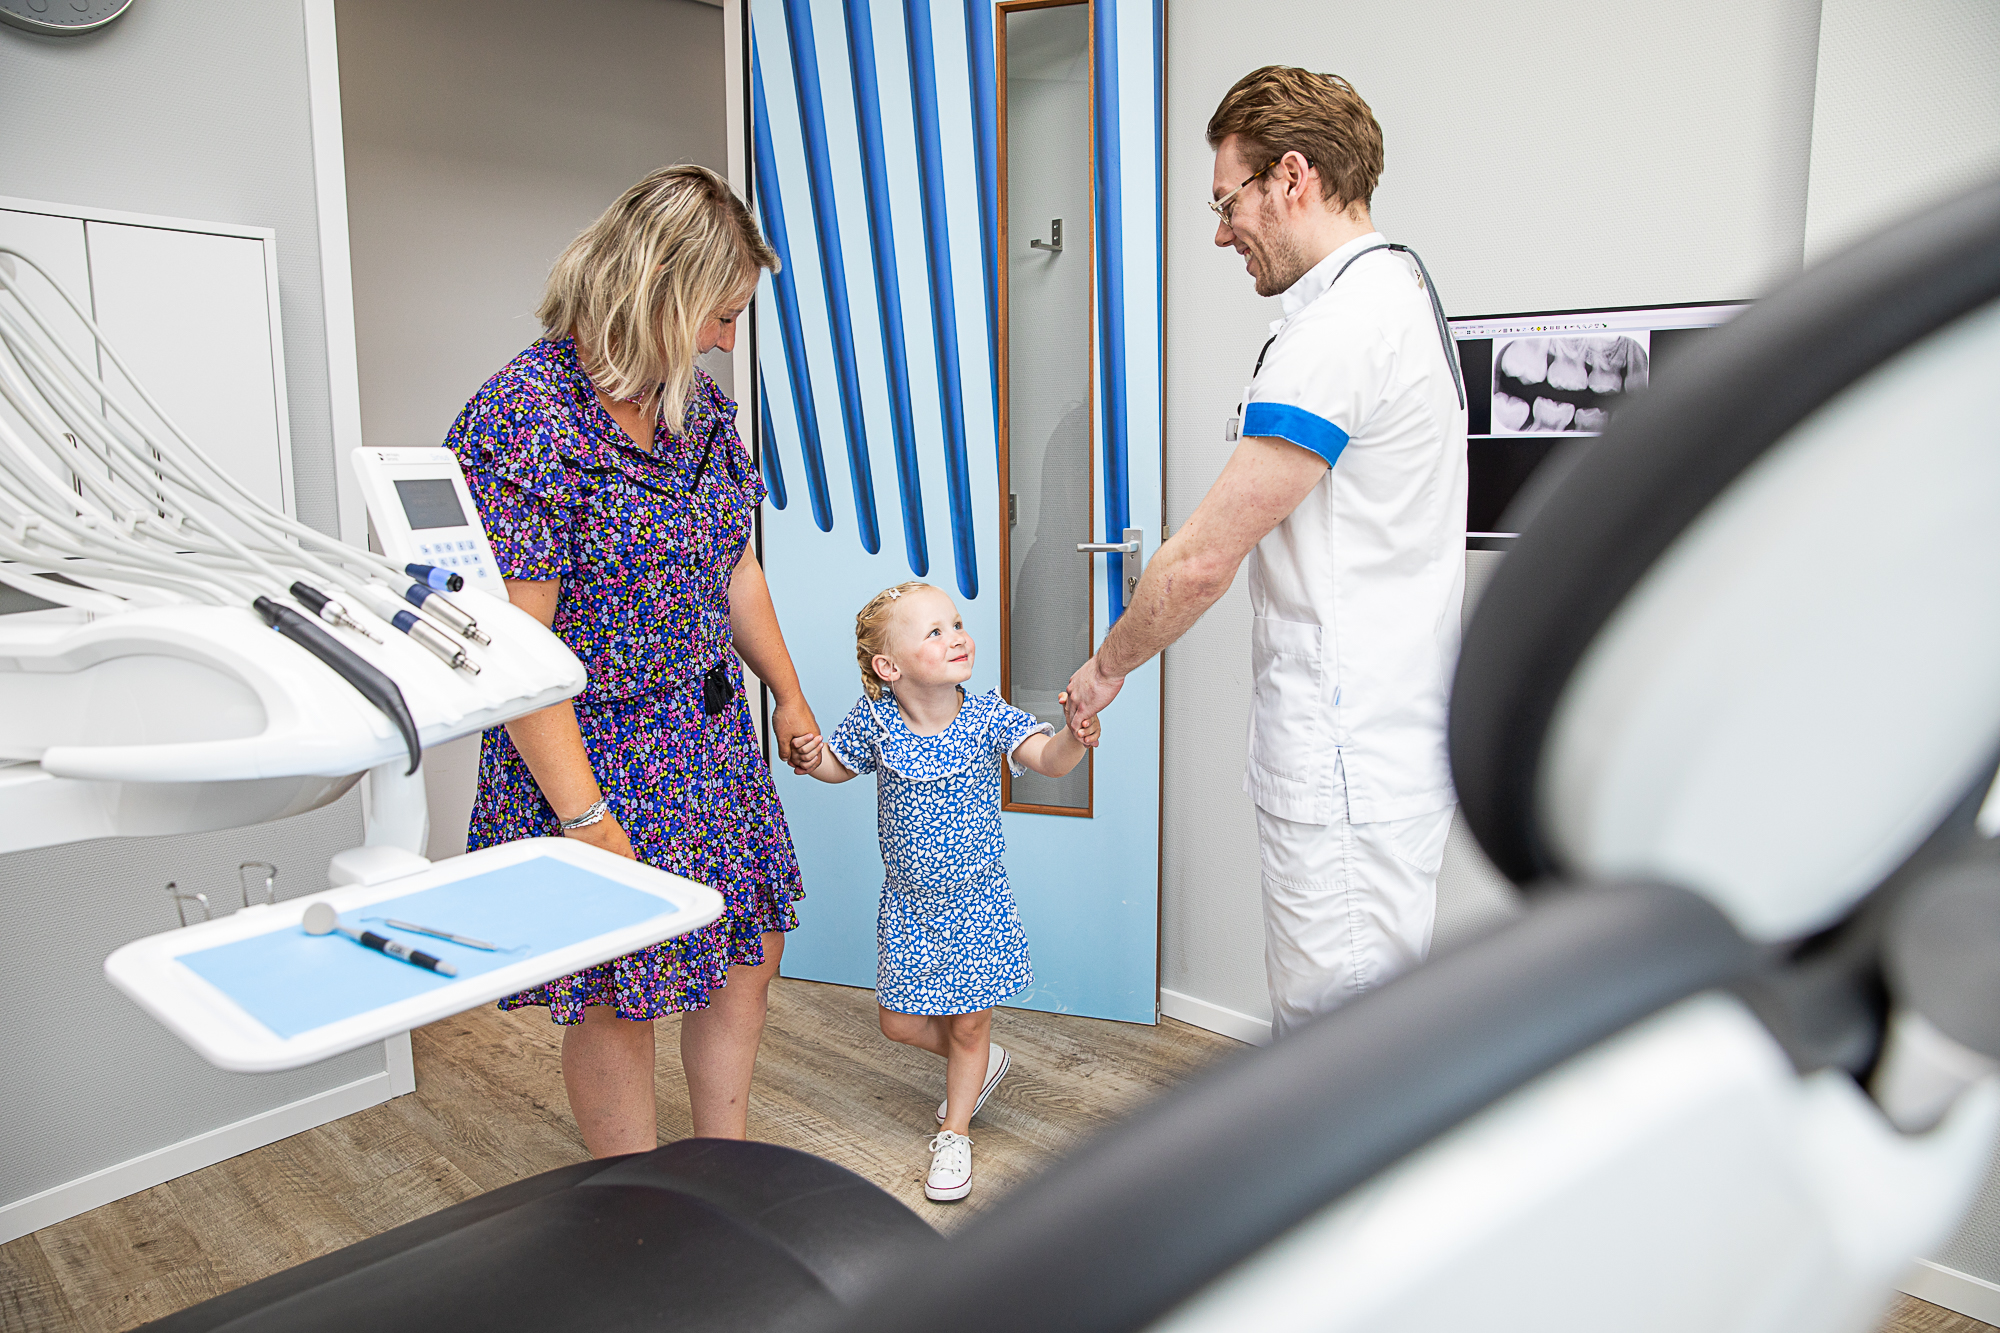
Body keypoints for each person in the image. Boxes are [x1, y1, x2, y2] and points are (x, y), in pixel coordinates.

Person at [1064, 67, 1468, 1038]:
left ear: (1291, 176)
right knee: (1361, 1029)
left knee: (1338, 1045)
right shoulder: (1400, 292)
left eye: (1226, 202)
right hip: (1382, 741)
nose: (1220, 233)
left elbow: (1204, 558)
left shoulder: (1339, 332)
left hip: (1345, 757)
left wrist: (1105, 666)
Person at [448, 165, 820, 1155]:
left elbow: (736, 565)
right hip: (592, 745)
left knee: (747, 951)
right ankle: (636, 1202)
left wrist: (787, 693)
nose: (728, 340)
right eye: (722, 314)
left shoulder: (697, 412)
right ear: (660, 287)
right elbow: (516, 648)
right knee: (622, 988)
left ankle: (722, 1166)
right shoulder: (527, 418)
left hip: (705, 733)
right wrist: (586, 819)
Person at [789, 582, 1097, 1201]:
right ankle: (979, 1063)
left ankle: (955, 1132)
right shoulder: (875, 721)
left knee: (969, 1026)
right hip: (909, 907)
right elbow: (837, 767)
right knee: (898, 1023)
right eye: (935, 632)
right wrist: (809, 756)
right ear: (889, 667)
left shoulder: (987, 717)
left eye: (956, 624)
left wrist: (1074, 734)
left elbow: (1049, 760)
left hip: (979, 905)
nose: (957, 637)